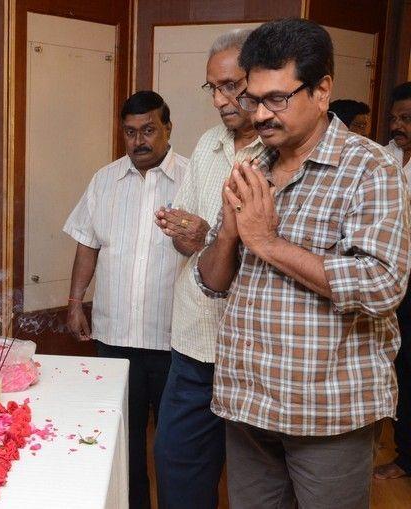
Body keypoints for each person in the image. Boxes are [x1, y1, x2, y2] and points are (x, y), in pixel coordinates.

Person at [195, 19, 409, 508]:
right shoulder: (252, 167)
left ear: (322, 90)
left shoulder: (371, 169)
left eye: (278, 99)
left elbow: (382, 284)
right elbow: (212, 284)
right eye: (253, 98)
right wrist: (230, 232)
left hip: (326, 411)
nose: (261, 114)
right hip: (249, 404)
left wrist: (267, 241)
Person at [153, 29, 264, 509]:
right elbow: (189, 250)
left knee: (258, 487)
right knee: (178, 471)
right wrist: (185, 234)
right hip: (196, 344)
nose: (220, 100)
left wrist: (216, 239)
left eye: (232, 85)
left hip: (257, 355)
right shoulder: (208, 145)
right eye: (212, 88)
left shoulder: (285, 150)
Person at [64, 90, 188, 509]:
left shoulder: (194, 178)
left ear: (168, 128)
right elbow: (87, 244)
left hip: (175, 340)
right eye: (131, 132)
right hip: (115, 338)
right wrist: (76, 301)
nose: (139, 141)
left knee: (175, 447)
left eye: (149, 130)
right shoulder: (104, 179)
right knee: (123, 440)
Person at [374, 80, 411, 481]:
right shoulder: (381, 159)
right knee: (397, 365)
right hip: (385, 279)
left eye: (407, 118)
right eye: (395, 118)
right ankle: (402, 452)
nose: (398, 126)